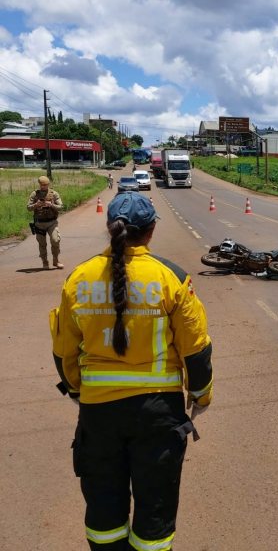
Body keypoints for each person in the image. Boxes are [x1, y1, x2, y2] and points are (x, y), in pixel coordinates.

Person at [50, 192, 213, 550]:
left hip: (99, 414)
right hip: (157, 415)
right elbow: (196, 347)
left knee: (104, 508)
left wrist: (78, 392)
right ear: (151, 231)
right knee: (155, 507)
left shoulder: (79, 278)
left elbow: (63, 351)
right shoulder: (170, 277)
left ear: (111, 229)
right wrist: (201, 393)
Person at [27, 175, 64, 269]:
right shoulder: (34, 194)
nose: (44, 186)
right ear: (39, 184)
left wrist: (51, 205)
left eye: (46, 185)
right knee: (42, 243)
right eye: (42, 185)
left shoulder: (54, 193)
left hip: (52, 222)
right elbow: (28, 207)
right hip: (39, 223)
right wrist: (36, 204)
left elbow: (61, 206)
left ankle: (56, 260)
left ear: (48, 184)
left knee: (55, 240)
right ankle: (45, 262)